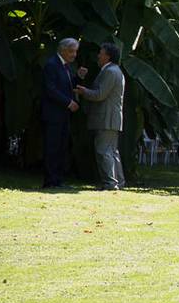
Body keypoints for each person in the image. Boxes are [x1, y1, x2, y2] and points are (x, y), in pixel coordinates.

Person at [76, 43, 126, 191]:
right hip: (111, 118)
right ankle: (118, 181)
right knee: (112, 151)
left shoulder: (110, 71)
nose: (99, 55)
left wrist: (84, 91)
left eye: (101, 53)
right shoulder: (114, 70)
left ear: (108, 56)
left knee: (103, 151)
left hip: (107, 118)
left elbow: (100, 95)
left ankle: (110, 183)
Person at [41, 38, 85, 189]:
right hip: (53, 114)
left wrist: (78, 76)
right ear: (63, 50)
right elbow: (51, 89)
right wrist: (68, 102)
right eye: (72, 51)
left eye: (75, 51)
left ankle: (58, 180)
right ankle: (50, 181)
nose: (74, 55)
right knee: (52, 148)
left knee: (61, 148)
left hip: (62, 115)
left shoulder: (65, 66)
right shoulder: (52, 64)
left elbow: (67, 85)